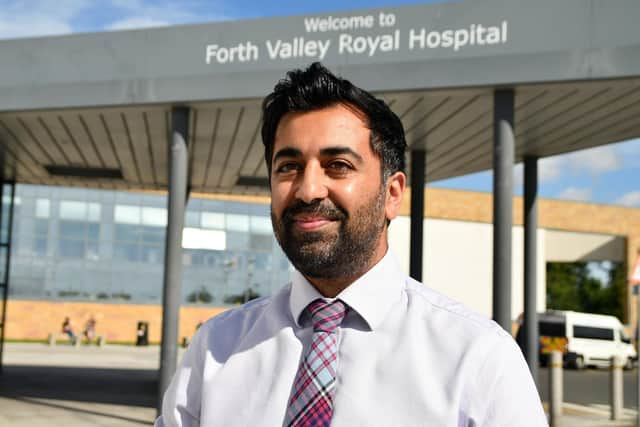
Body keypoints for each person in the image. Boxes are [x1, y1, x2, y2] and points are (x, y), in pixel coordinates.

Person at [156, 63, 547, 426]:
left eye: (338, 166)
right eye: (288, 167)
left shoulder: (478, 358)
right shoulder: (215, 349)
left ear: (392, 194)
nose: (308, 189)